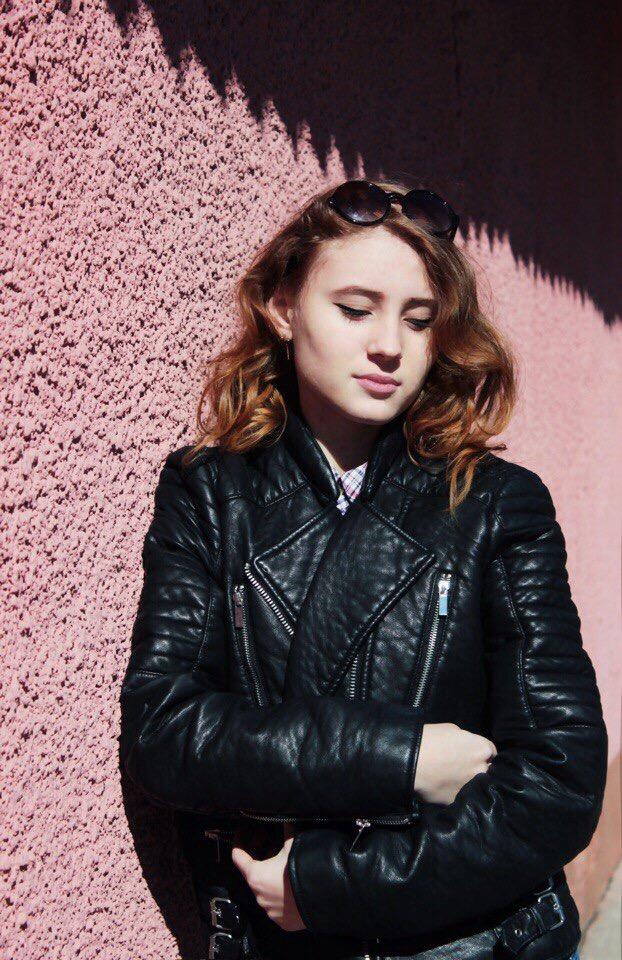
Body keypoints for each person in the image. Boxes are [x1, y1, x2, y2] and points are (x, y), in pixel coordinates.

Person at [120, 178, 606, 960]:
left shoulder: (496, 503)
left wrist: (331, 886)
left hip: (477, 940)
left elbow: (560, 782)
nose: (390, 346)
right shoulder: (210, 494)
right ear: (282, 307)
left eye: (419, 319)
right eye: (355, 309)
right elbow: (167, 732)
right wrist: (402, 757)